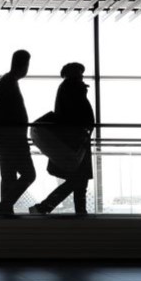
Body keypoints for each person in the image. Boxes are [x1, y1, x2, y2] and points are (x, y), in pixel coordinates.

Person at [30, 62, 94, 216]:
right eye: (80, 73)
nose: (82, 76)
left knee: (78, 180)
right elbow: (75, 115)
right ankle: (45, 207)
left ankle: (52, 208)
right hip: (76, 141)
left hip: (74, 141)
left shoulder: (67, 88)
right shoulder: (73, 88)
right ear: (73, 73)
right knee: (79, 180)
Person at [0, 49, 36, 216]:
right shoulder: (8, 83)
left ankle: (5, 208)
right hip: (13, 138)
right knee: (29, 174)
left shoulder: (6, 81)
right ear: (24, 64)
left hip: (6, 138)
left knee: (9, 176)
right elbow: (3, 113)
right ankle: (5, 205)